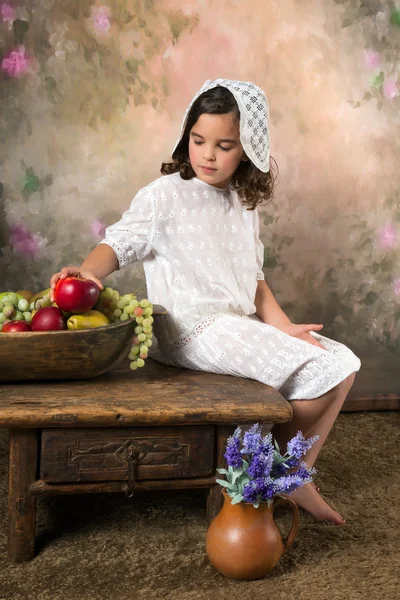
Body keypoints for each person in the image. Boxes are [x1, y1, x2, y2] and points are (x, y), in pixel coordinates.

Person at [50, 78, 361, 525]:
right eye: (198, 140)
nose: (208, 154)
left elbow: (254, 279)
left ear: (248, 149)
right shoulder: (163, 196)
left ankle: (294, 474)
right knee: (320, 373)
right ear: (185, 138)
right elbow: (119, 245)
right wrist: (87, 272)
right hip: (190, 328)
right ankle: (275, 477)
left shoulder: (243, 203)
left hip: (236, 324)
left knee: (343, 363)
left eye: (224, 145)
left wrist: (283, 326)